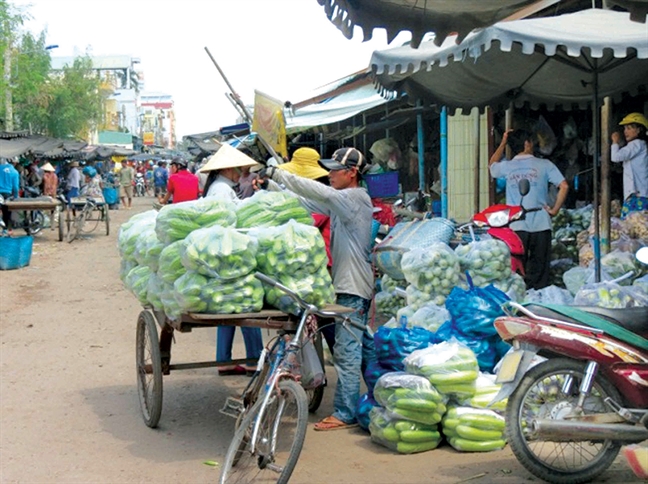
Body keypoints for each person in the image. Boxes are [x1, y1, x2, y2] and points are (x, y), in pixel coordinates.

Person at [256, 147, 376, 431]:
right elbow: (306, 203)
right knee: (365, 348)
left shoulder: (354, 198)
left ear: (352, 173)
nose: (330, 174)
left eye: (336, 170)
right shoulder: (341, 201)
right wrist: (273, 185)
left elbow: (322, 194)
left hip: (353, 286)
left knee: (347, 352)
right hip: (346, 284)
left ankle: (345, 412)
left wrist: (279, 172)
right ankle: (380, 391)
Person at [199, 144, 264, 376]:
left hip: (224, 251)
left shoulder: (221, 187)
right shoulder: (221, 190)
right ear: (227, 169)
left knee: (227, 308)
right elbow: (227, 219)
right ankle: (254, 358)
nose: (243, 171)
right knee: (248, 304)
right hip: (228, 252)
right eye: (240, 168)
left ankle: (224, 360)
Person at [489, 129, 569, 290]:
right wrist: (554, 210)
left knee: (518, 269)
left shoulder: (508, 166)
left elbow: (491, 165)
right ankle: (538, 301)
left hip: (516, 225)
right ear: (527, 144)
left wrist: (503, 143)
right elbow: (564, 186)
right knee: (540, 270)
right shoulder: (544, 164)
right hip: (541, 222)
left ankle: (519, 299)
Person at [277, 147, 335, 353]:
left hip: (325, 263)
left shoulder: (320, 197)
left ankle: (337, 359)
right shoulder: (314, 195)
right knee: (313, 314)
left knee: (322, 314)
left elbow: (309, 224)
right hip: (315, 262)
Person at [611, 112, 648, 215]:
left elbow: (615, 157)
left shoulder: (636, 144)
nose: (625, 131)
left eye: (629, 128)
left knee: (631, 225)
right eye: (625, 128)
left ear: (639, 130)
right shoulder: (642, 145)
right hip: (640, 193)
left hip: (637, 195)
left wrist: (615, 142)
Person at [0, 158, 20, 230]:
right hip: (7, 194)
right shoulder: (14, 172)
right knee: (6, 213)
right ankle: (5, 230)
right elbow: (15, 187)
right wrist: (16, 196)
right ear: (14, 163)